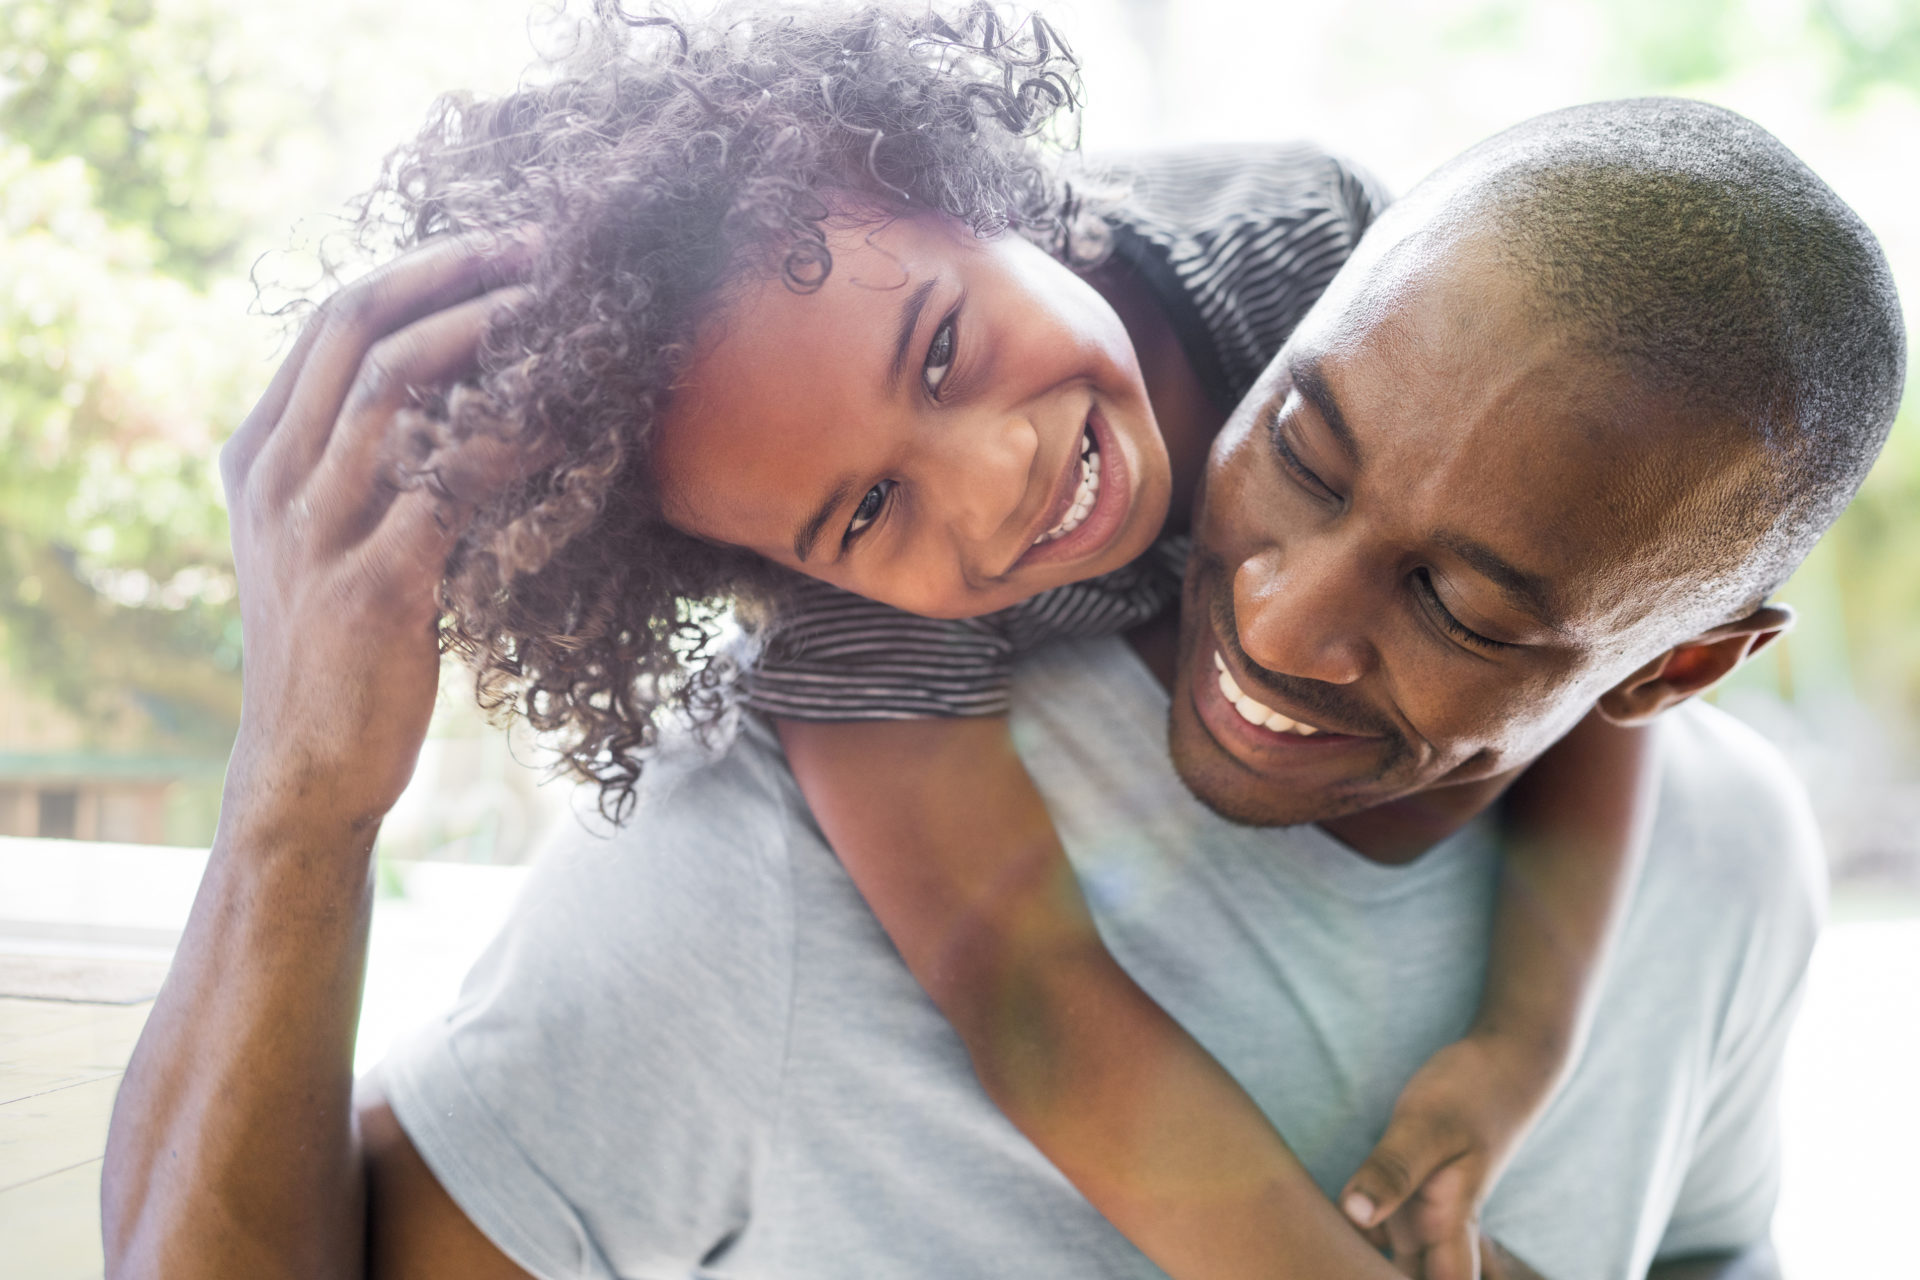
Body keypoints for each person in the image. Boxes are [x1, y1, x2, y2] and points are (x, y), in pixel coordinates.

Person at [101, 29, 1902, 1280]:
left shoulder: (1320, 250)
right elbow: (1039, 1013)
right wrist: (302, 791)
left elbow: (1598, 553)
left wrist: (1520, 1049)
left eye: (950, 351)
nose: (1002, 481)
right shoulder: (822, 748)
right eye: (864, 513)